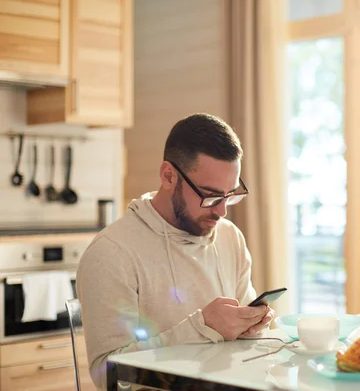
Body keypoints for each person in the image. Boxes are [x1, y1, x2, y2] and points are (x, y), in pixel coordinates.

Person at [77, 113, 274, 389]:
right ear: (169, 176)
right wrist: (202, 328)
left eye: (230, 194)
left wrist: (254, 324)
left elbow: (245, 343)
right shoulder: (112, 254)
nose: (222, 211)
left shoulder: (230, 238)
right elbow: (108, 375)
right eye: (210, 195)